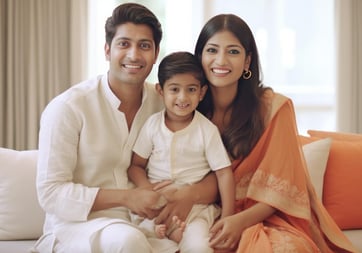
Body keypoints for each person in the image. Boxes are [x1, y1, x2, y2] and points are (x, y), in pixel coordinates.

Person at [33, 3, 218, 253]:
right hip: (80, 227)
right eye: (124, 44)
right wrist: (127, 197)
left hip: (149, 224)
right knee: (127, 241)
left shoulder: (166, 102)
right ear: (107, 50)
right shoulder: (68, 108)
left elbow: (211, 166)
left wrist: (190, 195)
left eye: (144, 45)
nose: (134, 55)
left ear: (155, 54)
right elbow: (51, 193)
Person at [194, 14, 358, 253]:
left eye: (233, 52)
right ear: (200, 56)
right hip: (204, 213)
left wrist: (239, 222)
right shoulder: (186, 106)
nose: (221, 60)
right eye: (212, 50)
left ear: (247, 61)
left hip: (267, 217)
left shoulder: (273, 108)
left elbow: (280, 190)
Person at [127, 51, 235, 252]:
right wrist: (147, 188)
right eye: (174, 89)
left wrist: (228, 216)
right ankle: (167, 232)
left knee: (200, 247)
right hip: (156, 203)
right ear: (160, 91)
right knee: (139, 239)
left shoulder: (206, 130)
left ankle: (179, 232)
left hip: (195, 210)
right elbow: (135, 166)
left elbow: (224, 173)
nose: (183, 97)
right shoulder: (152, 125)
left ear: (201, 93)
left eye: (191, 90)